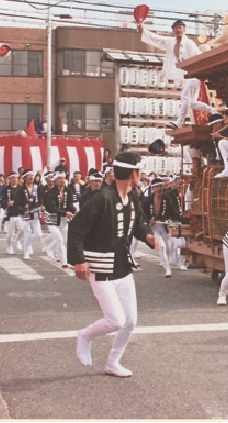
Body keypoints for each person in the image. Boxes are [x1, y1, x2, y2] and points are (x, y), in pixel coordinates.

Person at [69, 152, 157, 378]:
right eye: (139, 171)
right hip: (101, 269)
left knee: (129, 322)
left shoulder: (134, 196)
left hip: (123, 267)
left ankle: (113, 362)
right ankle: (85, 335)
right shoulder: (101, 198)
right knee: (115, 320)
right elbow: (76, 228)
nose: (141, 176)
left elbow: (138, 223)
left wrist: (147, 235)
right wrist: (79, 260)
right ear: (132, 173)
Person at [138, 19, 217, 130]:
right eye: (176, 28)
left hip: (194, 74)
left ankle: (178, 123)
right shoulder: (171, 42)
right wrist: (143, 31)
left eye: (180, 28)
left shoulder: (189, 43)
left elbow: (198, 56)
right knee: (192, 103)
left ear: (184, 30)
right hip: (185, 75)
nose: (178, 30)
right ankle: (213, 110)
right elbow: (157, 39)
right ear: (173, 30)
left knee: (185, 96)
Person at [142, 177, 179, 278]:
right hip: (154, 227)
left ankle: (164, 261)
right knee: (162, 246)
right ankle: (168, 269)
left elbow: (172, 212)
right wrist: (148, 219)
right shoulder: (147, 201)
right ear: (153, 188)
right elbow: (142, 214)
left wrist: (179, 218)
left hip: (164, 226)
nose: (159, 189)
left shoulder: (166, 199)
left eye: (160, 187)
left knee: (168, 246)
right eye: (157, 187)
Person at [45, 173, 76, 268]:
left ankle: (59, 255)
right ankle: (64, 262)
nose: (63, 180)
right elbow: (51, 208)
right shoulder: (50, 192)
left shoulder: (68, 191)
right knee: (59, 239)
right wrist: (65, 213)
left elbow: (69, 205)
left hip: (63, 218)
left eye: (64, 178)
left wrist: (74, 210)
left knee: (65, 240)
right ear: (55, 181)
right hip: (52, 218)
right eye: (60, 178)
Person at [14, 170, 42, 260]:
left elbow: (42, 198)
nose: (31, 177)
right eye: (29, 175)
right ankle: (26, 252)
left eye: (32, 175)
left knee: (38, 235)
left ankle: (28, 244)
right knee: (28, 234)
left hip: (35, 214)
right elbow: (16, 204)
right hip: (25, 215)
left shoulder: (37, 188)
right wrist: (23, 211)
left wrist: (42, 205)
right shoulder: (20, 190)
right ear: (25, 177)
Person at [1, 172, 23, 255]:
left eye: (16, 178)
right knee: (10, 233)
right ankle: (9, 246)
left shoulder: (20, 188)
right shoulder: (6, 189)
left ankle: (17, 240)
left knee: (22, 229)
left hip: (19, 212)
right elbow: (2, 200)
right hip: (10, 213)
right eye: (12, 178)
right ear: (9, 179)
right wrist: (7, 203)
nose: (14, 179)